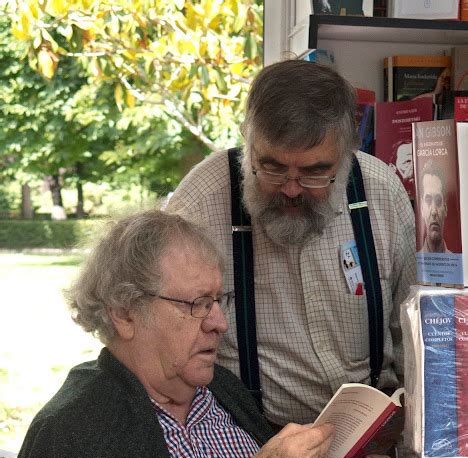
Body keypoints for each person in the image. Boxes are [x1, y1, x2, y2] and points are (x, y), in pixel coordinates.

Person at [8, 211, 394, 458]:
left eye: (218, 300)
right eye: (196, 304)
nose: (220, 323)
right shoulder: (81, 425)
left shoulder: (220, 392)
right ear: (124, 313)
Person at [167, 59, 416, 430]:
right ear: (246, 140)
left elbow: (415, 343)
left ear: (349, 152)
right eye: (272, 167)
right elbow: (166, 358)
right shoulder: (202, 203)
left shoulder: (382, 192)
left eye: (315, 172)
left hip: (372, 443)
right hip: (248, 446)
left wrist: (389, 449)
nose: (291, 189)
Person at [418, 158, 450, 253]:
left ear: (445, 207)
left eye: (438, 200)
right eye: (428, 200)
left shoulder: (460, 264)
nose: (434, 211)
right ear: (422, 208)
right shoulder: (414, 264)